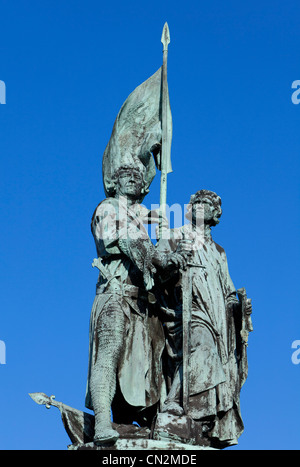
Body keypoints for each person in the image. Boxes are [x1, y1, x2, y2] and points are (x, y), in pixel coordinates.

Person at [85, 165, 187, 445]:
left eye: (139, 178)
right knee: (110, 353)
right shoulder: (107, 208)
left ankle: (153, 421)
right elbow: (120, 240)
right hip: (114, 294)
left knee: (151, 366)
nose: (134, 179)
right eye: (126, 176)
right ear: (114, 183)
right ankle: (103, 421)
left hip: (144, 304)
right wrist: (156, 256)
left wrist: (170, 250)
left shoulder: (143, 219)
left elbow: (157, 260)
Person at [156, 189, 252, 448]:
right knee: (202, 348)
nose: (199, 207)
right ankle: (173, 403)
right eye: (195, 203)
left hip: (218, 316)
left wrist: (240, 309)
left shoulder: (220, 251)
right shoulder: (178, 236)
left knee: (217, 362)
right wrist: (173, 261)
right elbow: (158, 266)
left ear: (215, 213)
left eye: (206, 204)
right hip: (188, 309)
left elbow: (228, 290)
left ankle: (201, 421)